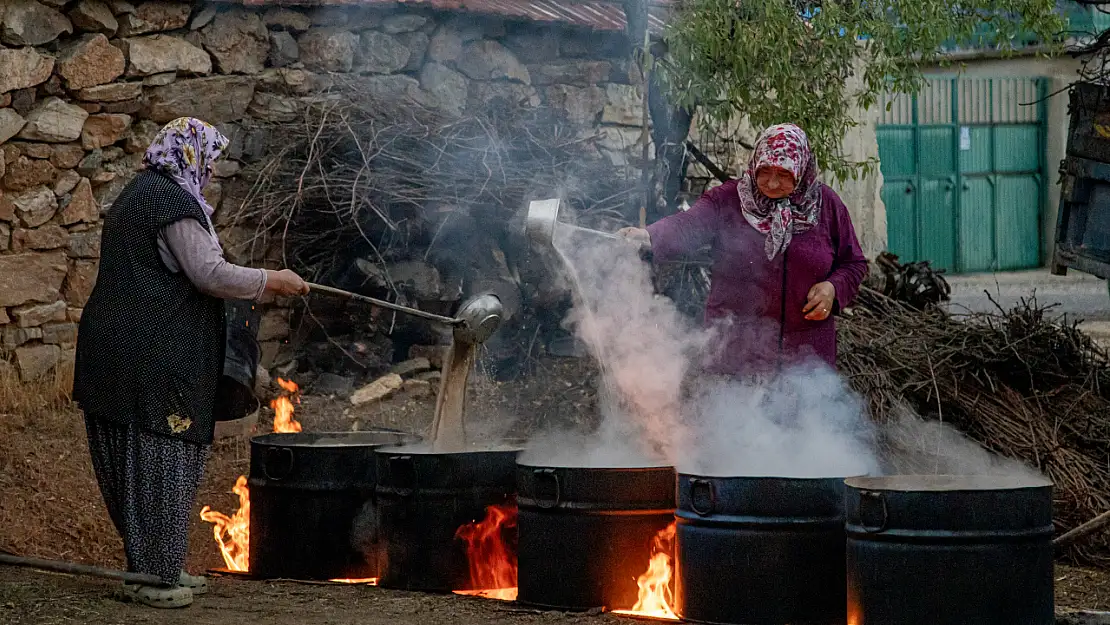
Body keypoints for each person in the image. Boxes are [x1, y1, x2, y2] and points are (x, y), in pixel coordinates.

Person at [72, 117, 310, 608]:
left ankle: (157, 567)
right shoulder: (170, 204)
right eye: (211, 160)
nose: (214, 171)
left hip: (123, 352)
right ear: (189, 156)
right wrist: (273, 280)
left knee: (141, 460)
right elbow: (208, 273)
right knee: (161, 457)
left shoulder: (141, 194)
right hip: (150, 357)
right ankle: (155, 577)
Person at [618, 123, 868, 377]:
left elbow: (854, 263)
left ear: (802, 171)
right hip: (734, 355)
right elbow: (687, 226)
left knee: (807, 417)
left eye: (783, 174)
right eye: (764, 171)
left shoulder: (826, 206)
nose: (771, 182)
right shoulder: (727, 200)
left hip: (807, 360)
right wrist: (648, 236)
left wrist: (833, 289)